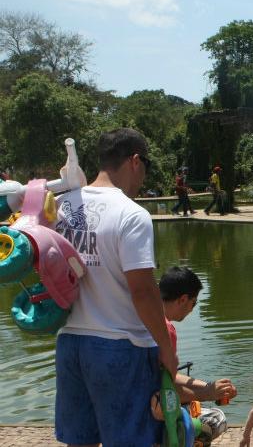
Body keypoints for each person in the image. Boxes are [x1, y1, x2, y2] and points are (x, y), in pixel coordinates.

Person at [53, 128, 178, 445]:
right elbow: (143, 291)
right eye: (145, 166)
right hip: (120, 346)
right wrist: (166, 347)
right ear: (135, 160)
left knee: (79, 440)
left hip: (70, 342)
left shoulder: (59, 206)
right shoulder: (131, 214)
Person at [160, 266, 235, 443]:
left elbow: (165, 375)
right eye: (194, 303)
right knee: (216, 420)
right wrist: (208, 394)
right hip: (153, 407)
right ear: (183, 299)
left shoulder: (141, 315)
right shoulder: (165, 330)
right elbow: (165, 389)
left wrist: (209, 387)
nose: (192, 309)